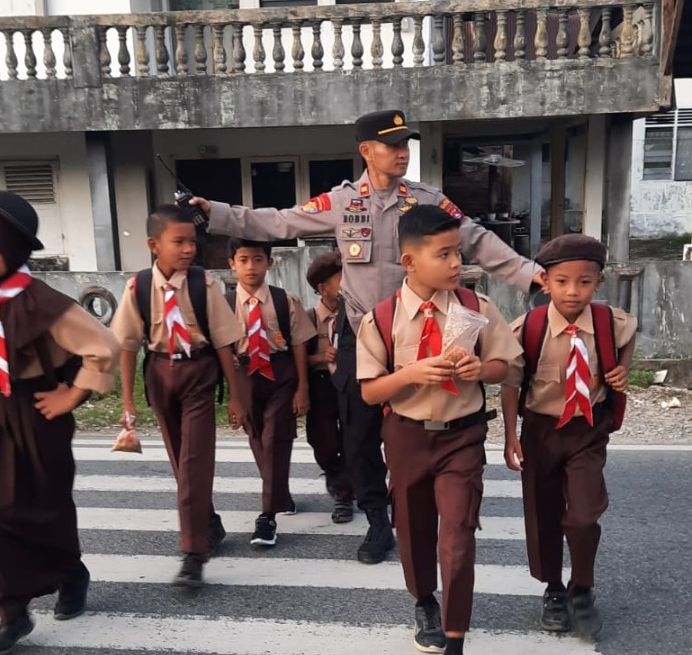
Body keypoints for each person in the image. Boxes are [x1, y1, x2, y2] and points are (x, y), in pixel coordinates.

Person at [191, 109, 543, 564]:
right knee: (357, 435)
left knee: (416, 422)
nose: (402, 153)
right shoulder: (342, 203)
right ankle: (378, 521)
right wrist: (215, 212)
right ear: (366, 151)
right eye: (391, 145)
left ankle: (421, 499)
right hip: (359, 334)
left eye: (405, 145)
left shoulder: (427, 201)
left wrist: (532, 276)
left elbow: (475, 238)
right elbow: (278, 222)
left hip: (417, 333)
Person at [0, 192, 120, 655]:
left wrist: (71, 395)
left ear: (16, 250)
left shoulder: (42, 303)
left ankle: (70, 572)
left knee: (46, 504)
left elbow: (103, 347)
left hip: (35, 412)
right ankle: (11, 612)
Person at [357, 205, 520, 655]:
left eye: (458, 253)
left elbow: (506, 365)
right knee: (412, 528)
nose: (455, 263)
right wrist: (409, 374)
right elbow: (370, 391)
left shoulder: (474, 306)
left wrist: (480, 370)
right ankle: (424, 599)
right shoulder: (382, 319)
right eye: (443, 254)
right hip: (407, 436)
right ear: (409, 261)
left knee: (458, 537)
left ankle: (455, 650)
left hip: (461, 437)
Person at [501, 234, 637, 641]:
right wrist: (510, 435)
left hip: (587, 430)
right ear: (545, 282)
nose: (573, 291)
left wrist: (622, 372)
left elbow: (628, 343)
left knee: (583, 515)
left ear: (599, 281)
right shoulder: (528, 328)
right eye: (562, 281)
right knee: (542, 513)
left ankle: (582, 588)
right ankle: (554, 590)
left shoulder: (611, 323)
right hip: (541, 430)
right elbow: (510, 383)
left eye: (584, 282)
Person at [108, 205, 246, 589]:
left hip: (198, 372)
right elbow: (127, 346)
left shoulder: (204, 285)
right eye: (179, 242)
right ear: (154, 245)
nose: (188, 249)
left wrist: (236, 397)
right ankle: (209, 522)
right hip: (159, 373)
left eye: (192, 242)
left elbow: (224, 344)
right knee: (179, 459)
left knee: (194, 461)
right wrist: (128, 403)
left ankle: (193, 554)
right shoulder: (138, 287)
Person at [227, 238, 316, 547]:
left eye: (257, 259)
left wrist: (302, 387)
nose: (251, 267)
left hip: (280, 373)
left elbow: (300, 344)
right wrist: (233, 394)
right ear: (232, 264)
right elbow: (221, 348)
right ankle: (280, 493)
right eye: (243, 260)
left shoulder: (284, 300)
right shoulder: (224, 304)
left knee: (276, 436)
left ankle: (267, 517)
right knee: (257, 437)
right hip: (245, 375)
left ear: (269, 262)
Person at [304, 250, 354, 524]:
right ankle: (336, 477)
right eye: (341, 279)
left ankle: (344, 496)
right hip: (321, 385)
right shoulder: (308, 318)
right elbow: (297, 358)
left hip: (350, 383)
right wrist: (320, 357)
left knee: (352, 438)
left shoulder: (355, 314)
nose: (348, 283)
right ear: (323, 288)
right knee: (322, 441)